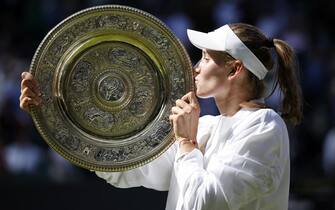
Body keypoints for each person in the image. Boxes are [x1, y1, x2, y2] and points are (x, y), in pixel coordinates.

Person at [20, 23, 302, 210]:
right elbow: (130, 168)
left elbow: (203, 204)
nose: (195, 68)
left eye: (205, 57)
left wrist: (187, 144)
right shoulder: (206, 127)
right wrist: (54, 111)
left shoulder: (264, 127)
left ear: (233, 69)